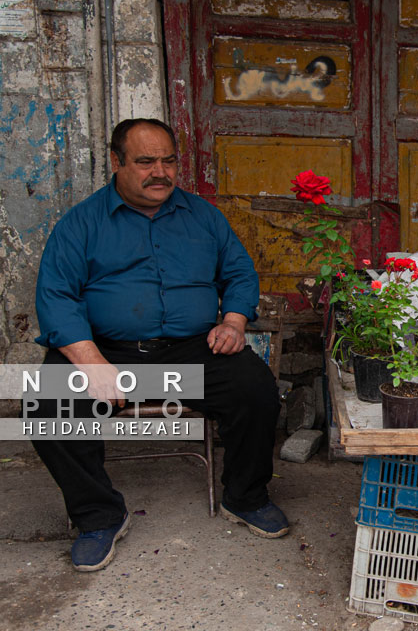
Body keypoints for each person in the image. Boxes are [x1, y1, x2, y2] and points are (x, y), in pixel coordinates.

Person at [30, 118, 287, 572]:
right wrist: (90, 360)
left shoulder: (203, 215)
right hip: (110, 351)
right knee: (48, 406)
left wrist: (233, 319)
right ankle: (98, 516)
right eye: (146, 161)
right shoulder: (81, 223)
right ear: (116, 162)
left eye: (169, 160)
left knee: (256, 389)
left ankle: (245, 496)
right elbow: (56, 296)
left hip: (193, 347)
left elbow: (240, 272)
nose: (161, 172)